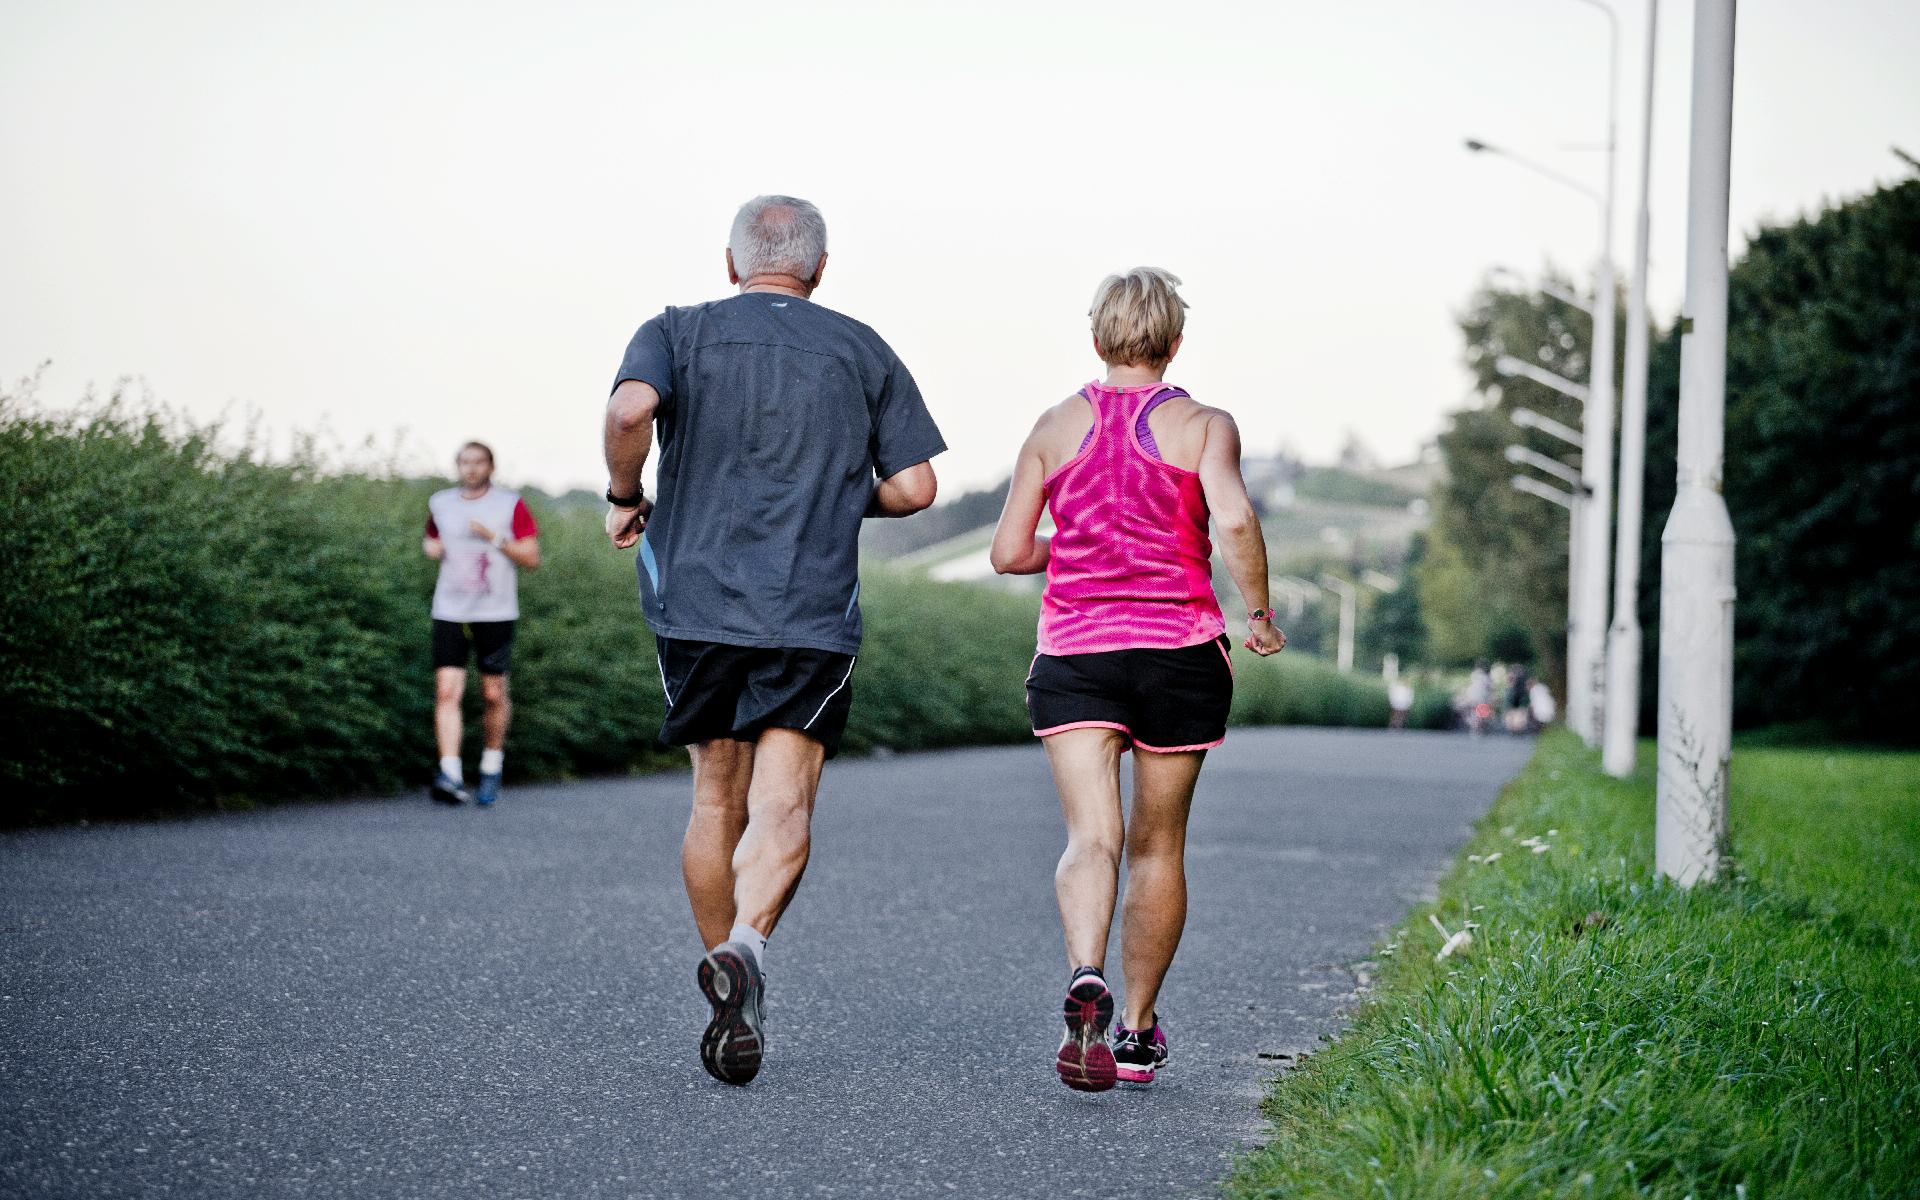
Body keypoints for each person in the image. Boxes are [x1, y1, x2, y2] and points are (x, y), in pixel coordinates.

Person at [602, 195, 944, 1086]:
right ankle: (747, 949)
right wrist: (836, 490)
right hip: (808, 614)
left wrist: (623, 491)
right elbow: (914, 490)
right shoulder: (862, 346)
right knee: (784, 805)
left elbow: (631, 408)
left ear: (730, 262)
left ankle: (724, 965)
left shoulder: (676, 330)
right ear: (819, 268)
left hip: (697, 606)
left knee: (716, 798)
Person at [990, 267, 1286, 1093]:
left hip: (1076, 653)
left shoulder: (1053, 427)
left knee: (1093, 838)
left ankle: (1086, 972)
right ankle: (1135, 1030)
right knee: (1158, 846)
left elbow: (1010, 552)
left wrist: (1081, 551)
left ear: (1096, 339)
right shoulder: (1203, 425)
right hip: (1179, 652)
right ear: (1175, 342)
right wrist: (1257, 614)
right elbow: (1231, 518)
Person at [423, 441, 541, 806]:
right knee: (447, 690)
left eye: (478, 462)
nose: (471, 468)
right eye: (465, 462)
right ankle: (451, 774)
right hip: (450, 609)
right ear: (457, 466)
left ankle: (491, 765)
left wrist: (493, 537)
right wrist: (432, 548)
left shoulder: (509, 504)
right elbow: (431, 539)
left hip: (496, 610)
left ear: (490, 466)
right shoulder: (440, 503)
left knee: (492, 693)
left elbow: (532, 557)